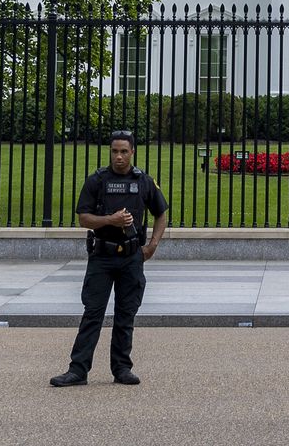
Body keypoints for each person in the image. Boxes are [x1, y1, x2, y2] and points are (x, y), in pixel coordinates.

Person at [51, 130, 169, 387]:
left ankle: (122, 369)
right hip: (102, 257)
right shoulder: (97, 181)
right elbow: (84, 218)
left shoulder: (144, 182)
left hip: (131, 256)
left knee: (126, 315)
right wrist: (110, 220)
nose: (118, 156)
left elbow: (162, 213)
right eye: (114, 151)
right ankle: (78, 370)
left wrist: (152, 247)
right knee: (92, 314)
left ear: (132, 152)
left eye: (124, 151)